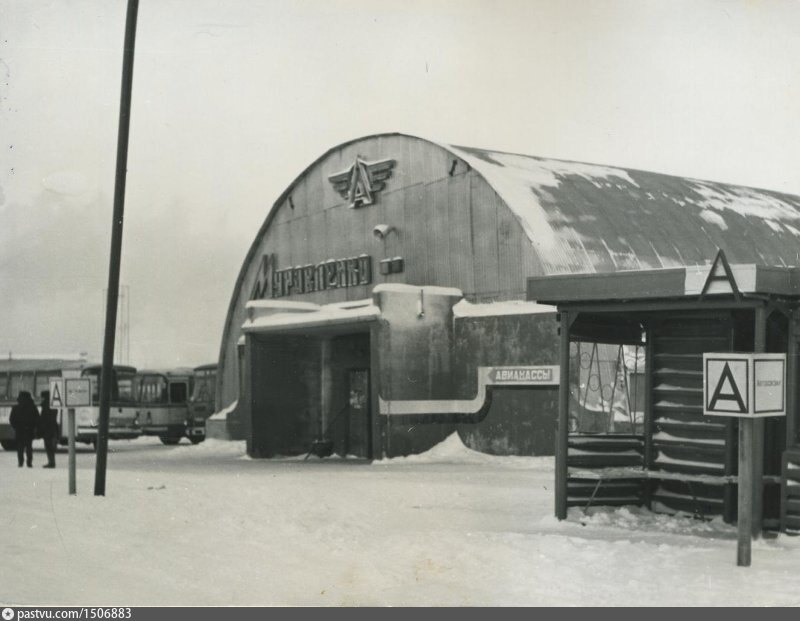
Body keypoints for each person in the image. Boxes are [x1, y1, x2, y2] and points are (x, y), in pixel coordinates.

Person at [9, 391, 39, 468]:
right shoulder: (33, 407)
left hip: (19, 431)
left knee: (20, 447)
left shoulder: (16, 407)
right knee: (29, 447)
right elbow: (37, 418)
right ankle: (29, 462)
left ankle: (20, 462)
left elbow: (12, 419)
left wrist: (17, 427)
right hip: (29, 430)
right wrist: (32, 426)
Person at [39, 390, 58, 468]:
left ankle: (51, 462)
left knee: (48, 446)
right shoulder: (53, 404)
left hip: (47, 428)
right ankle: (52, 461)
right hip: (53, 427)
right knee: (51, 446)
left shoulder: (45, 405)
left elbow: (43, 418)